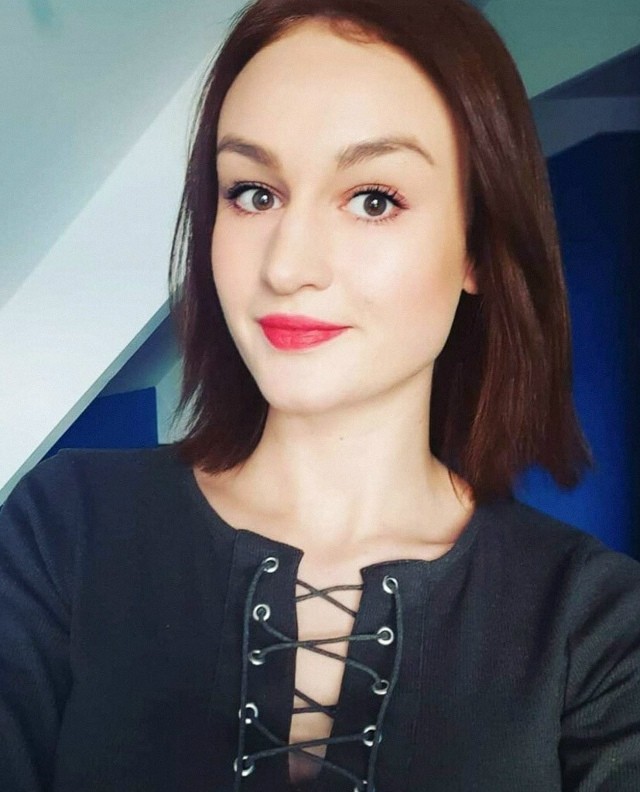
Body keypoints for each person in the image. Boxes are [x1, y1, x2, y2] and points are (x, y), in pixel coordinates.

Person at [1, 0, 639, 790]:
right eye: (253, 193)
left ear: (478, 245)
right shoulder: (64, 530)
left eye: (373, 198)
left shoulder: (594, 625)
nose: (286, 266)